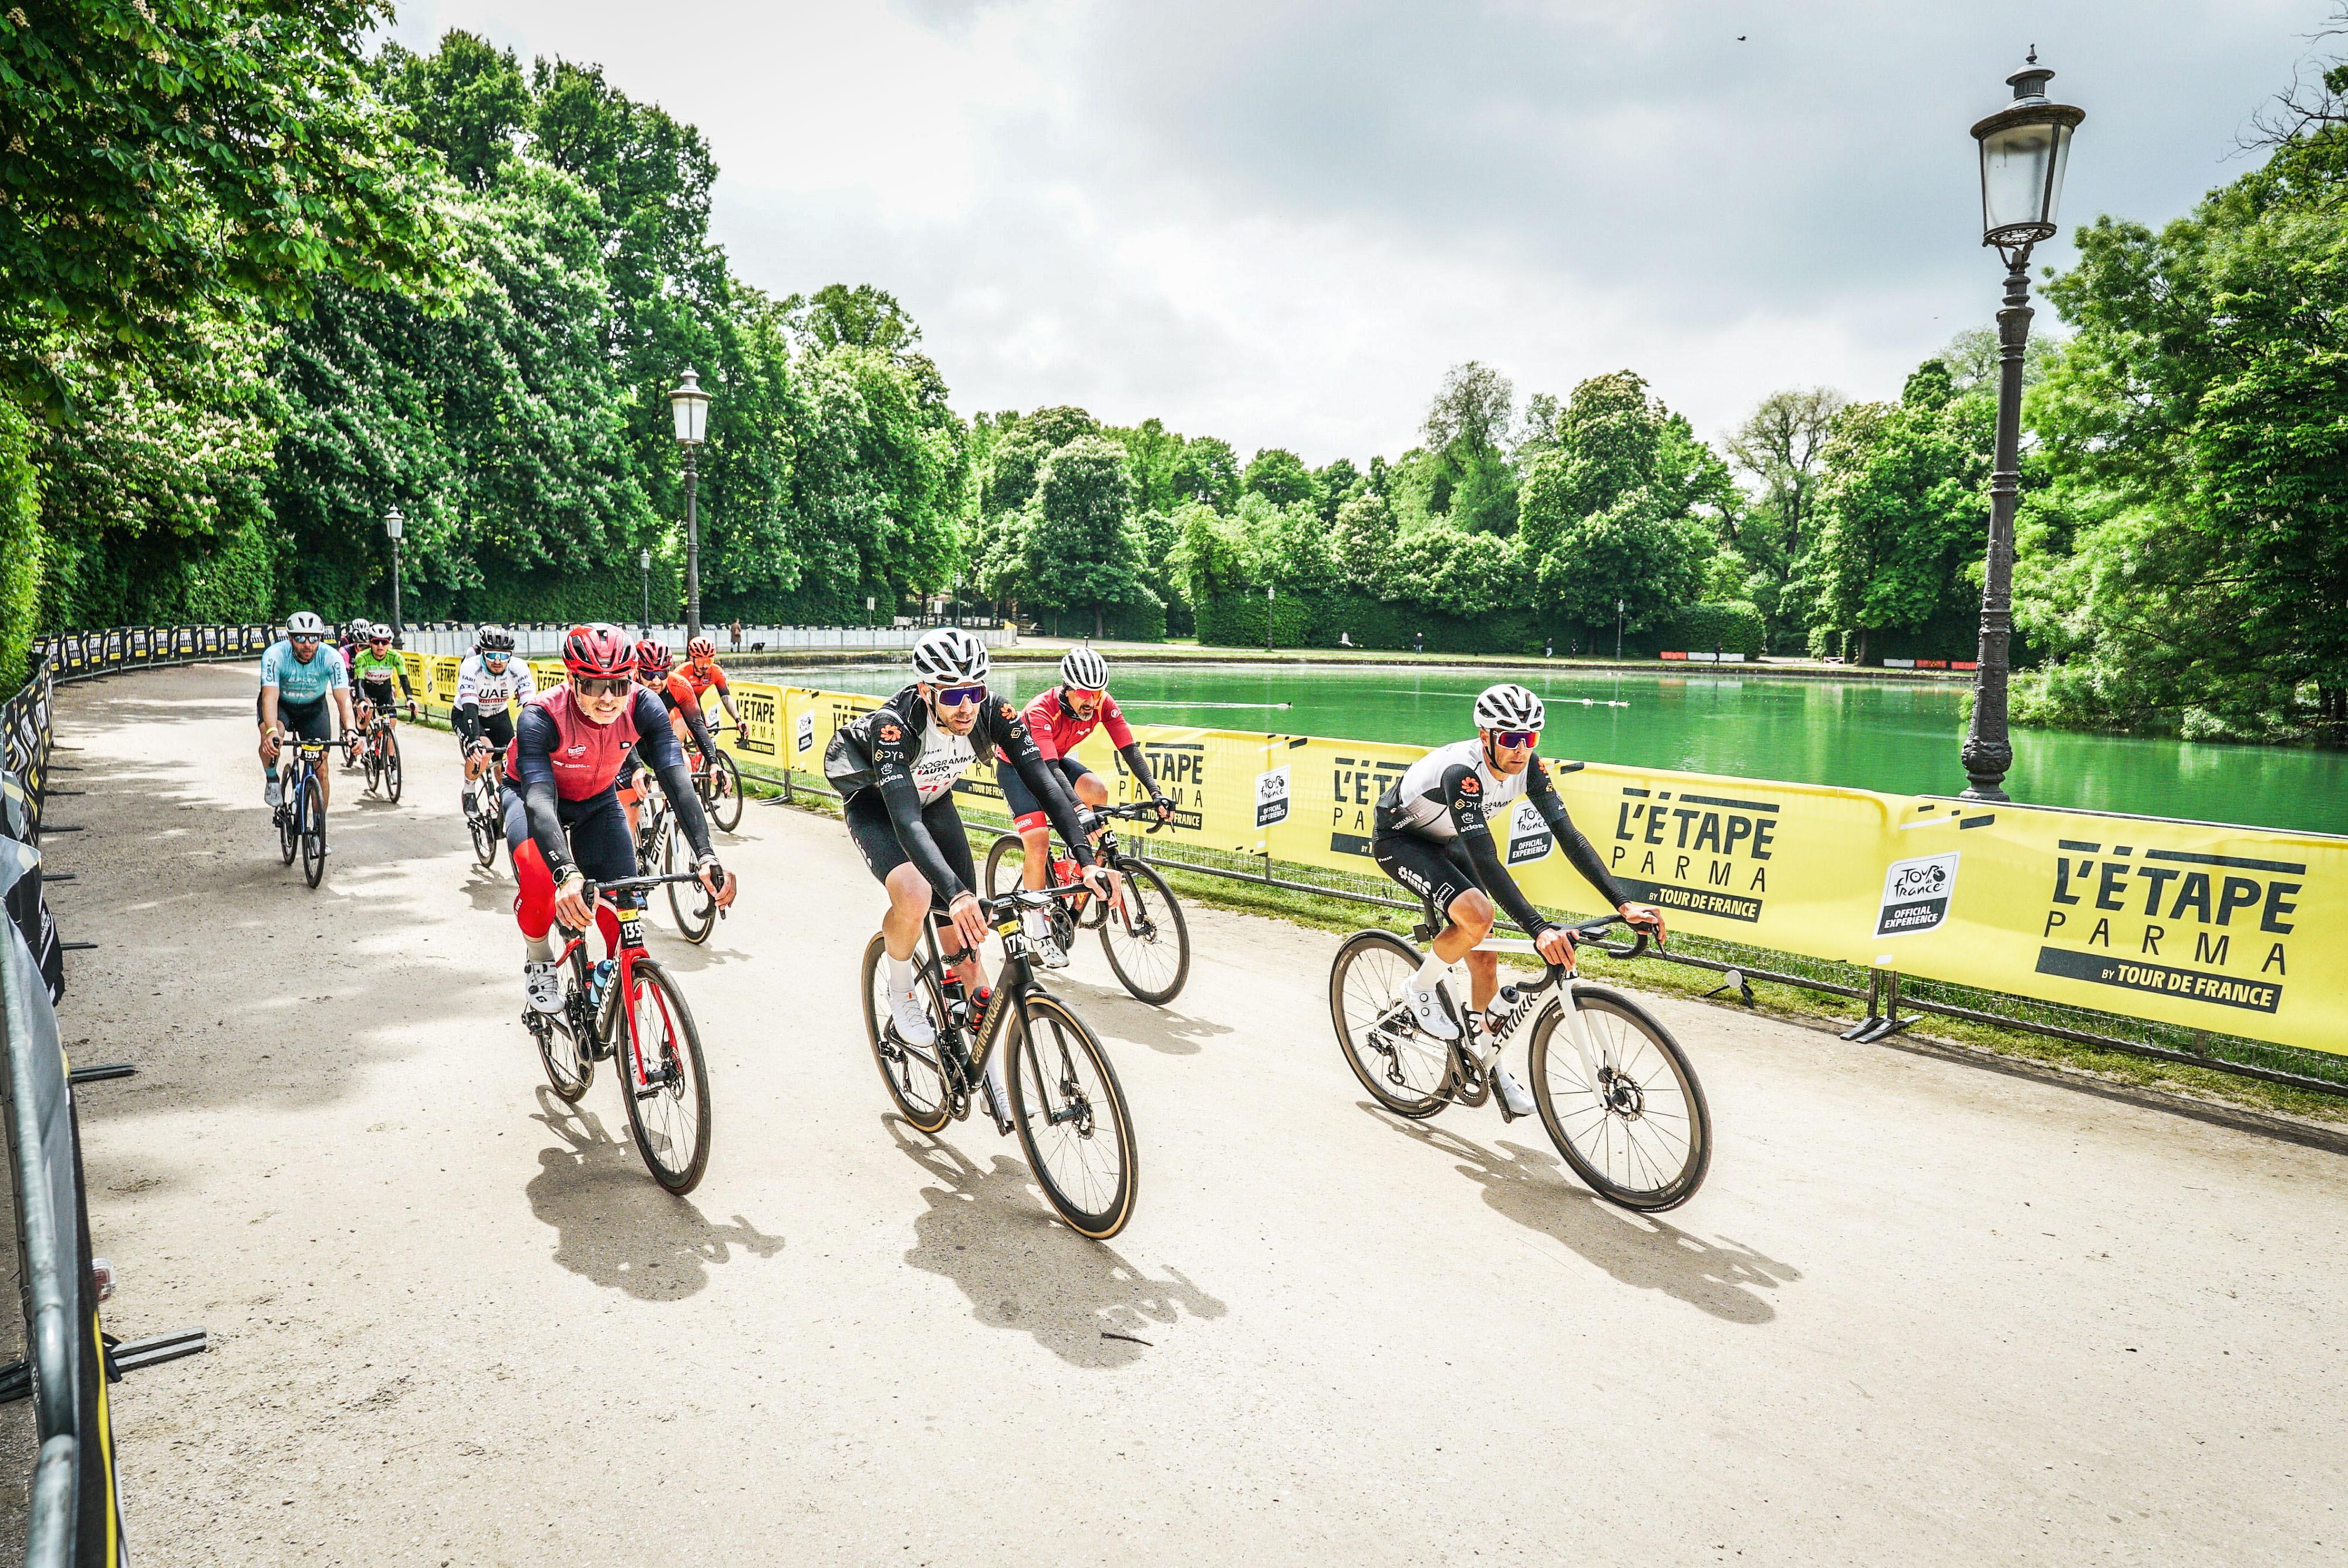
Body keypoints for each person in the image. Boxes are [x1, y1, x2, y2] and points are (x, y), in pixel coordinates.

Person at [825, 628, 1108, 1123]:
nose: (966, 706)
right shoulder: (894, 728)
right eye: (953, 694)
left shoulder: (992, 712)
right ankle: (899, 987)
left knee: (969, 948)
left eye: (975, 691)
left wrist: (1086, 859)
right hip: (880, 806)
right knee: (916, 893)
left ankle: (990, 1074)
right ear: (926, 691)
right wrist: (953, 894)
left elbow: (1043, 780)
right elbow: (907, 822)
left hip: (935, 800)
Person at [1370, 682, 1666, 1121]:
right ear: (1486, 735)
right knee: (1478, 916)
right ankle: (1417, 990)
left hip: (1447, 838)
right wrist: (1539, 928)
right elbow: (1486, 858)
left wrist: (1624, 903)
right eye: (1510, 738)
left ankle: (1494, 1069)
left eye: (1531, 738)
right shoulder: (1462, 773)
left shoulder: (1529, 767)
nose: (1521, 749)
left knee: (1485, 958)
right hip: (1402, 839)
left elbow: (1569, 837)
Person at [507, 625, 735, 1014]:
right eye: (595, 685)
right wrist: (566, 872)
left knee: (625, 911)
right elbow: (540, 798)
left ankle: (607, 984)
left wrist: (706, 855)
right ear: (572, 679)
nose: (609, 697)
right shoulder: (540, 717)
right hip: (534, 799)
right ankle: (539, 956)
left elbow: (676, 779)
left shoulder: (644, 706)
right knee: (541, 881)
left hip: (596, 800)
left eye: (619, 684)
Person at [998, 647, 1171, 948]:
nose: (1091, 700)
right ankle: (1038, 926)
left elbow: (1128, 749)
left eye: (1097, 692)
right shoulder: (1041, 710)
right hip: (1019, 769)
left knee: (1097, 791)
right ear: (1067, 689)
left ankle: (1072, 859)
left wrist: (1155, 793)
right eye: (1083, 693)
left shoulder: (1103, 703)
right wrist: (1078, 810)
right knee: (1038, 844)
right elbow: (1048, 771)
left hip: (1055, 759)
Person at [257, 610, 357, 816]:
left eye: (314, 639)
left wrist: (351, 730)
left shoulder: (332, 658)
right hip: (281, 706)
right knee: (273, 740)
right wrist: (271, 732)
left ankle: (320, 828)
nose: (307, 644)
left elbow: (344, 699)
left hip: (313, 708)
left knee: (322, 769)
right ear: (290, 638)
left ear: (321, 638)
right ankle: (272, 778)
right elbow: (269, 697)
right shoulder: (275, 655)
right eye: (300, 638)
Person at [616, 639, 714, 837]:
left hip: (656, 739)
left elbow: (697, 725)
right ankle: (630, 858)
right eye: (649, 674)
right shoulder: (625, 688)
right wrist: (636, 768)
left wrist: (713, 762)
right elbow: (620, 732)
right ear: (637, 672)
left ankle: (664, 816)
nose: (656, 681)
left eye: (662, 673)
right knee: (630, 802)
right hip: (627, 744)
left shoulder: (679, 686)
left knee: (685, 765)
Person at [453, 626, 537, 824]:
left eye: (503, 655)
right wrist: (474, 741)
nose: (498, 661)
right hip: (469, 715)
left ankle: (505, 799)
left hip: (498, 715)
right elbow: (470, 706)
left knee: (510, 759)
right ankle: (469, 790)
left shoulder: (519, 668)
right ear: (482, 652)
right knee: (484, 751)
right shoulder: (471, 667)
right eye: (491, 655)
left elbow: (531, 707)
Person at [348, 623, 417, 746]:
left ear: (389, 643)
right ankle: (363, 739)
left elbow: (404, 679)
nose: (380, 646)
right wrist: (362, 700)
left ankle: (391, 759)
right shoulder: (362, 657)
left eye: (384, 643)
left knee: (392, 722)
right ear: (370, 643)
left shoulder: (396, 657)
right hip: (367, 688)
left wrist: (410, 699)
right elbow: (359, 682)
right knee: (367, 710)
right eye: (376, 642)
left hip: (384, 690)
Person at [675, 636, 745, 737]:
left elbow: (726, 698)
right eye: (700, 661)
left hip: (696, 706)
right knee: (679, 737)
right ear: (691, 659)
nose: (705, 666)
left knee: (707, 739)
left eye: (708, 662)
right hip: (678, 706)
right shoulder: (680, 673)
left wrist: (738, 720)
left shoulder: (716, 672)